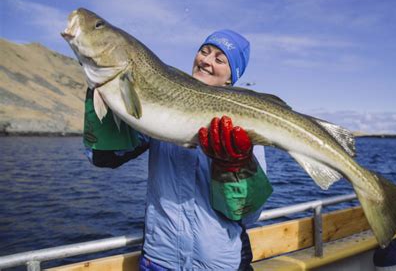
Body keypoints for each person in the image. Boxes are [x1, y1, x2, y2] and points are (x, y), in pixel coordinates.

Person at [83, 29, 273, 270]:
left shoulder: (244, 129)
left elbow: (248, 216)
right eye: (204, 52)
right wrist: (105, 82)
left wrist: (236, 167)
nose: (206, 60)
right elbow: (103, 156)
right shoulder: (157, 109)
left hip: (219, 265)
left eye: (219, 59)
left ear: (230, 78)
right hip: (159, 261)